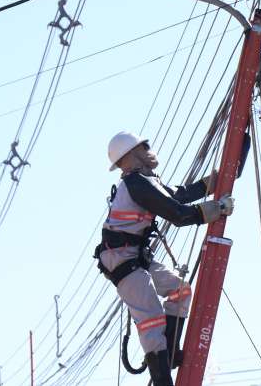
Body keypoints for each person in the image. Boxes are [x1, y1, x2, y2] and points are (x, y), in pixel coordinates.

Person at [94, 131, 235, 386]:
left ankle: (168, 355)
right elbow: (178, 214)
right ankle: (161, 379)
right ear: (132, 154)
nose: (150, 149)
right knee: (151, 316)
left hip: (134, 255)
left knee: (180, 291)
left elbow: (178, 196)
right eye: (144, 146)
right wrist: (217, 209)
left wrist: (217, 179)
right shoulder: (136, 183)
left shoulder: (146, 181)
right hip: (121, 260)